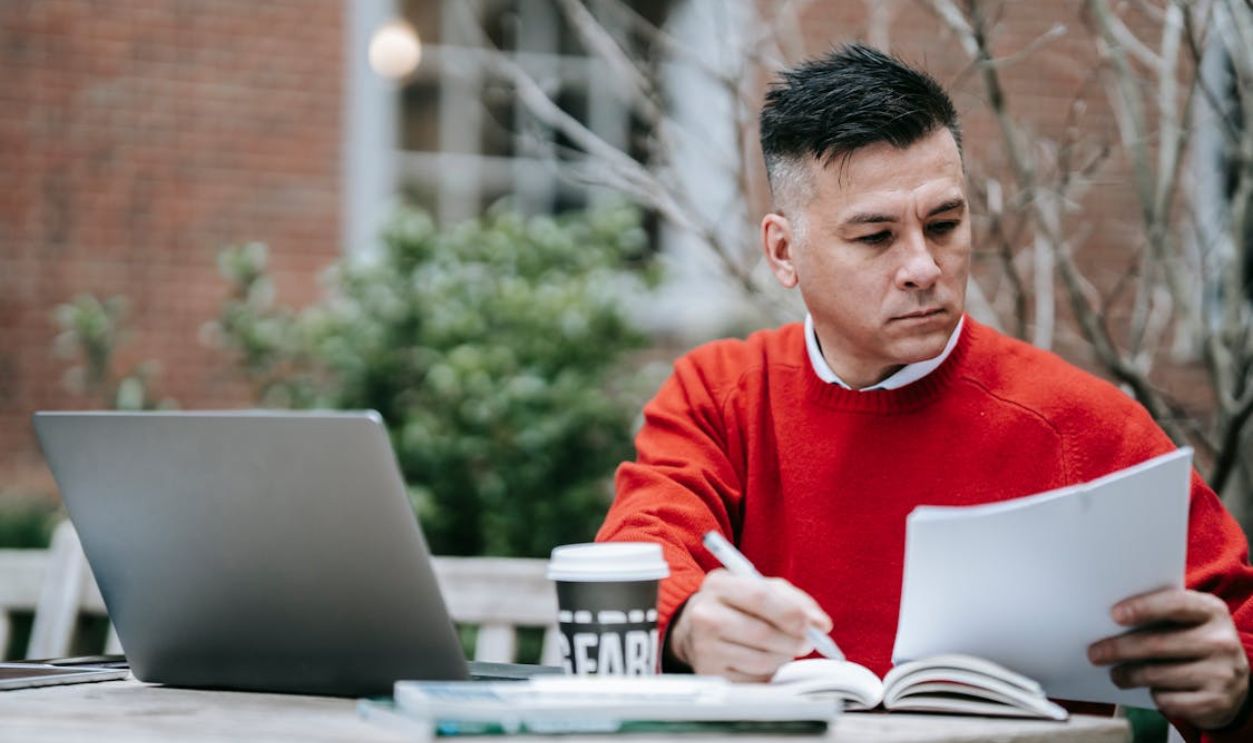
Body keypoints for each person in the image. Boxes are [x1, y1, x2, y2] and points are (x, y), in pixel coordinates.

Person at [596, 44, 1253, 742]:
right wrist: (691, 622)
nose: (922, 266)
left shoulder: (1083, 425)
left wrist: (1232, 692)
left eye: (944, 225)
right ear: (783, 252)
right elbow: (642, 543)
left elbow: (1233, 631)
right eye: (876, 236)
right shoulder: (720, 394)